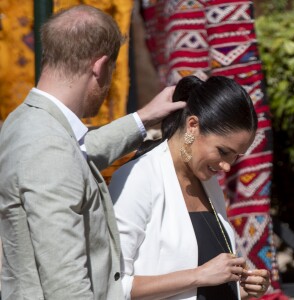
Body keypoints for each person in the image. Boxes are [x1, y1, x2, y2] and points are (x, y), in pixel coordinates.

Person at [0, 5, 186, 300]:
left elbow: (79, 154)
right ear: (99, 67)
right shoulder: (49, 149)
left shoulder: (25, 120)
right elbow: (65, 283)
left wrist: (144, 117)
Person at [109, 75, 271, 300]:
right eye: (223, 151)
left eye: (235, 156)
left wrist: (244, 288)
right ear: (193, 125)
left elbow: (202, 288)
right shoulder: (139, 177)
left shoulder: (207, 181)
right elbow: (113, 285)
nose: (226, 166)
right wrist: (199, 275)